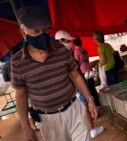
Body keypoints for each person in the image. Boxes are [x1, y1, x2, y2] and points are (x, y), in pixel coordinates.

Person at [11, 6, 97, 141]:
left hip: (74, 109)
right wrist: (26, 126)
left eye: (45, 30)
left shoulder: (61, 50)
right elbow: (21, 96)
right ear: (23, 32)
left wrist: (90, 99)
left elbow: (75, 76)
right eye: (36, 31)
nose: (42, 35)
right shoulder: (17, 62)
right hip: (48, 120)